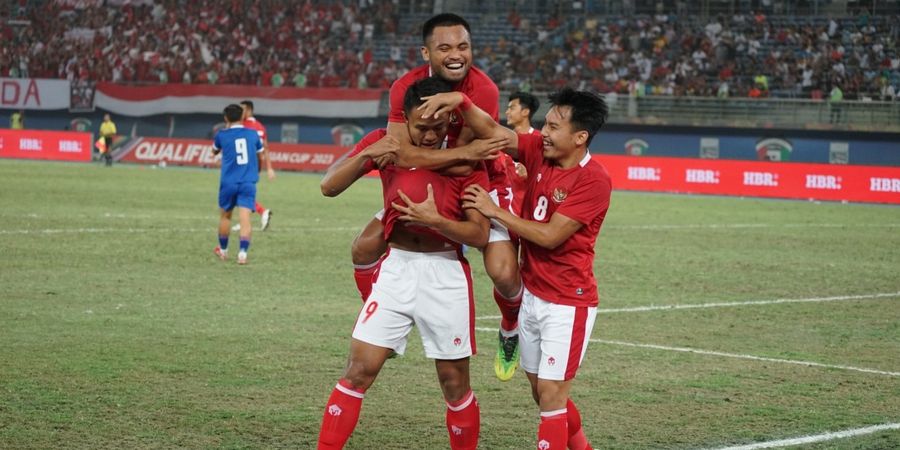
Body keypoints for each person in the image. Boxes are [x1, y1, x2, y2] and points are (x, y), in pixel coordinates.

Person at [419, 87, 612, 450]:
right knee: (543, 394)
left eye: (554, 127)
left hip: (568, 303)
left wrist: (496, 213)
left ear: (580, 136)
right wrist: (463, 102)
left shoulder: (594, 180)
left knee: (552, 397)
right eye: (545, 124)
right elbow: (496, 133)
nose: (544, 132)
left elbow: (552, 236)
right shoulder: (540, 151)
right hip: (532, 296)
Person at [344, 13, 524, 382]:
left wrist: (447, 154)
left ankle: (510, 327)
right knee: (364, 247)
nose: (456, 54)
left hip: (483, 179)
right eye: (445, 48)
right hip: (431, 176)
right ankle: (379, 318)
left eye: (463, 46)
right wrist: (445, 158)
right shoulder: (405, 88)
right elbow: (403, 152)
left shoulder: (483, 90)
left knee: (503, 272)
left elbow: (470, 164)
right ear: (427, 52)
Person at [316, 77, 490, 450]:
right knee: (358, 372)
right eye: (421, 128)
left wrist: (437, 221)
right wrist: (367, 155)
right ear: (404, 119)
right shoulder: (387, 142)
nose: (430, 136)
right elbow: (328, 186)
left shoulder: (466, 157)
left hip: (445, 274)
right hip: (395, 270)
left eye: (438, 127)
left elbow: (479, 235)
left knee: (454, 384)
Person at [212, 104, 263, 265]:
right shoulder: (253, 134)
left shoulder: (222, 135)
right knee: (245, 218)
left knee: (226, 216)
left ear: (226, 118)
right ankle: (242, 254)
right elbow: (260, 155)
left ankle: (224, 250)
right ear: (242, 117)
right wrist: (258, 170)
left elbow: (214, 151)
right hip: (248, 181)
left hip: (228, 182)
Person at [239, 100, 275, 230]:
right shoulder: (260, 126)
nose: (240, 112)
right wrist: (269, 168)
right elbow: (266, 147)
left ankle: (262, 212)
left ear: (248, 110)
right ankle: (245, 219)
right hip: (256, 165)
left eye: (242, 109)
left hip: (245, 163)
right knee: (246, 192)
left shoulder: (243, 125)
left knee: (240, 192)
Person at [504, 91, 541, 216]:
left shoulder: (540, 141)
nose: (507, 112)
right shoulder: (503, 140)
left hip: (529, 209)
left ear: (525, 112)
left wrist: (531, 175)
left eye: (512, 108)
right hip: (504, 206)